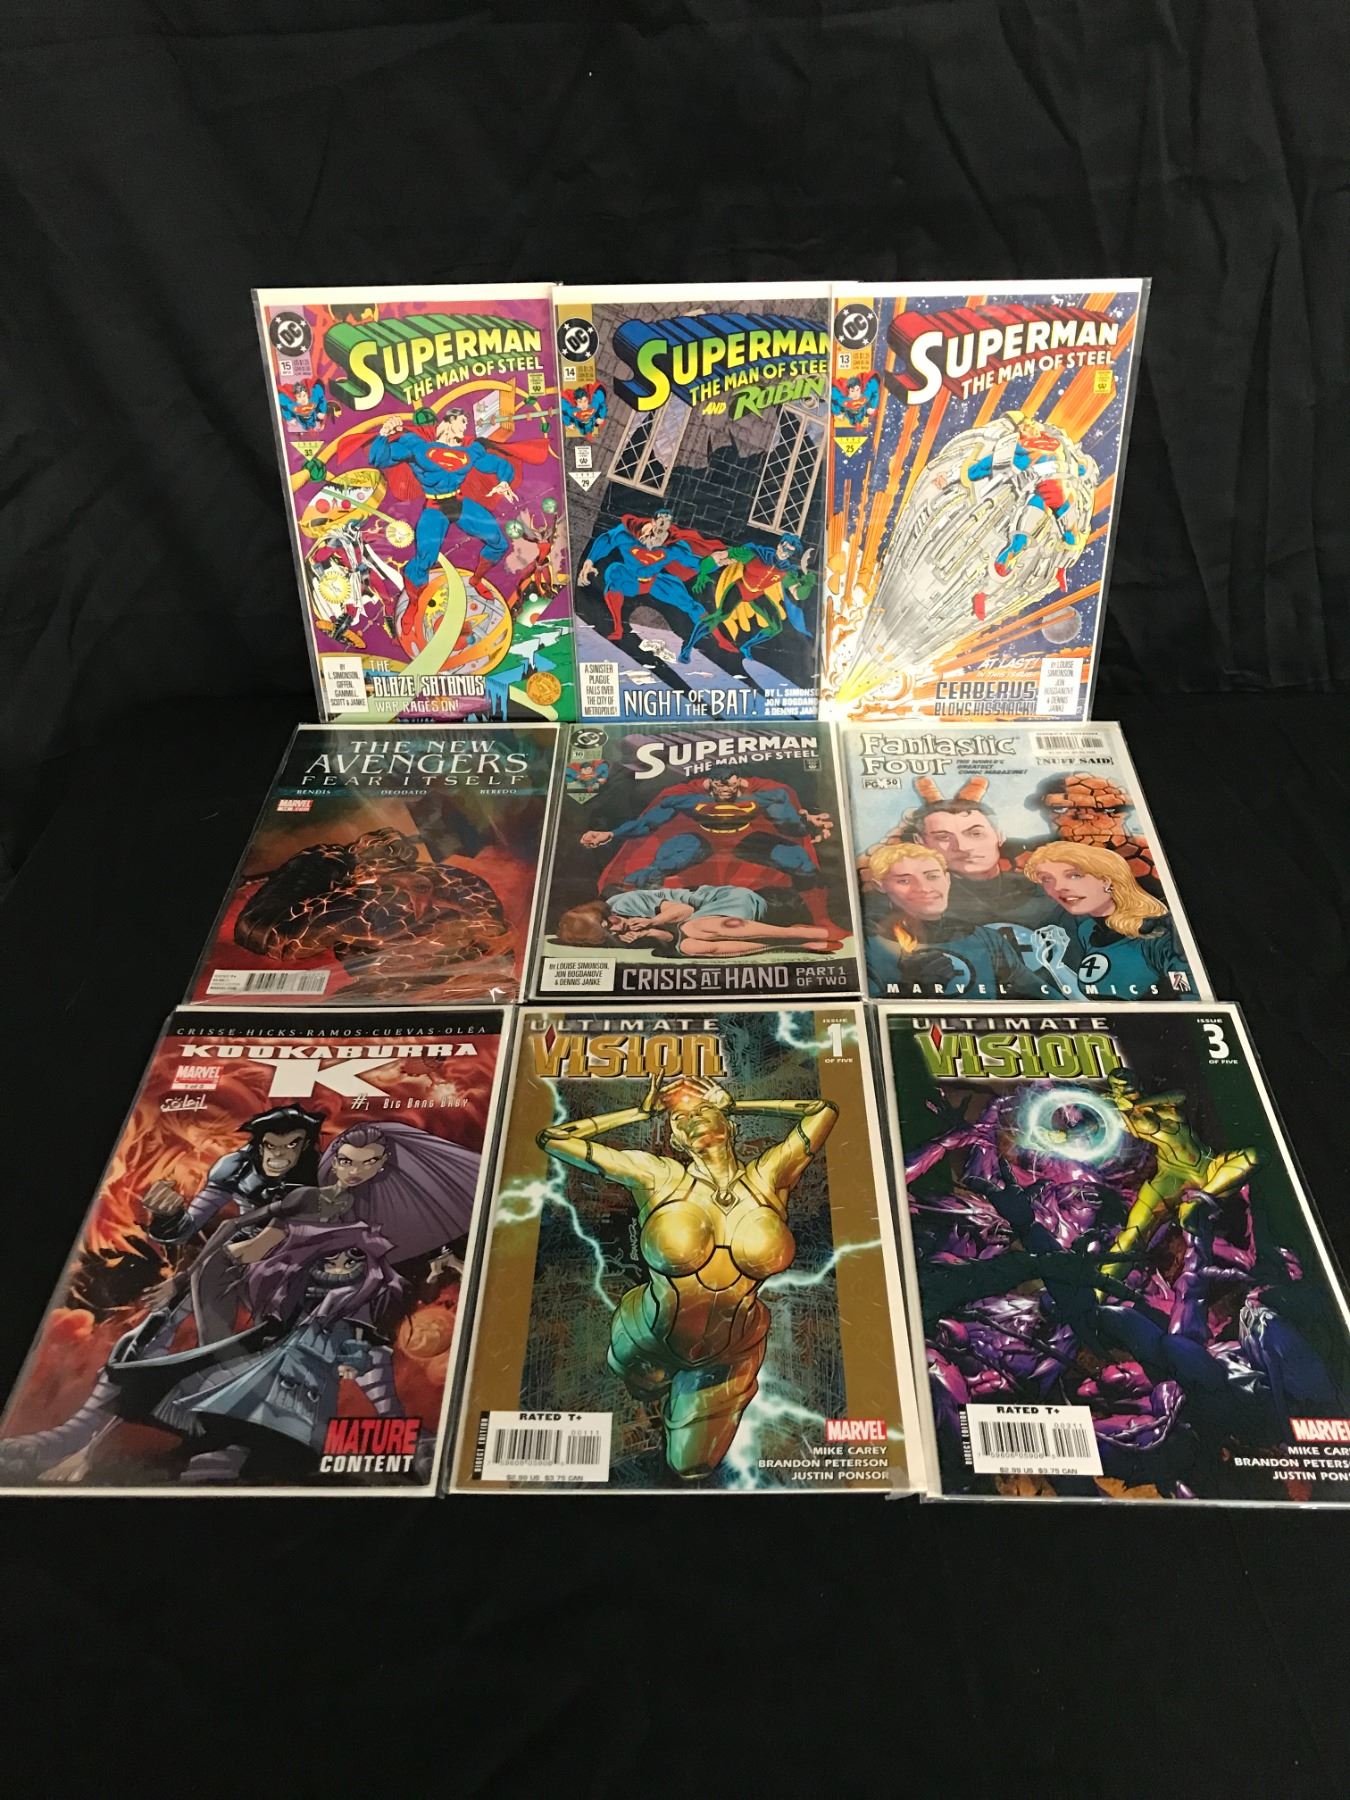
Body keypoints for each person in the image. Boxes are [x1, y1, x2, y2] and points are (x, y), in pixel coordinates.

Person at [537, 1072, 837, 1479]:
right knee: (642, 1391)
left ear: (729, 1124)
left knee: (690, 1465)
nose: (691, 1118)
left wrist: (739, 1104)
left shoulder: (768, 1179)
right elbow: (553, 1138)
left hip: (731, 1351)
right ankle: (654, 1398)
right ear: (677, 1141)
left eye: (704, 1110)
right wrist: (638, 1113)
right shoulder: (659, 1176)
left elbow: (823, 1112)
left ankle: (678, 1409)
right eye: (679, 1119)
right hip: (645, 1339)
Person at [860, 840, 1080, 999]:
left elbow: (1045, 1000)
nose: (924, 888)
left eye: (932, 876)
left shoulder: (986, 939)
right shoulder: (867, 944)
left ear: (947, 880)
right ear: (880, 885)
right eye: (904, 881)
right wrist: (909, 988)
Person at [1021, 841, 1195, 998]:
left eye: (1074, 875)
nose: (1058, 887)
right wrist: (1057, 967)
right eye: (1047, 879)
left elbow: (1188, 998)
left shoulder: (1161, 933)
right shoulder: (1087, 930)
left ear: (1106, 880)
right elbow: (1093, 1003)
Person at [554, 884, 844, 958]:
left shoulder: (622, 903)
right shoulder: (619, 939)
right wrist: (651, 935)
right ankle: (797, 942)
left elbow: (683, 911)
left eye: (612, 922)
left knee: (694, 927)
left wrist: (651, 922)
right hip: (707, 928)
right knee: (690, 946)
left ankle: (805, 933)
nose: (619, 927)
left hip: (728, 898)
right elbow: (671, 939)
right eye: (610, 932)